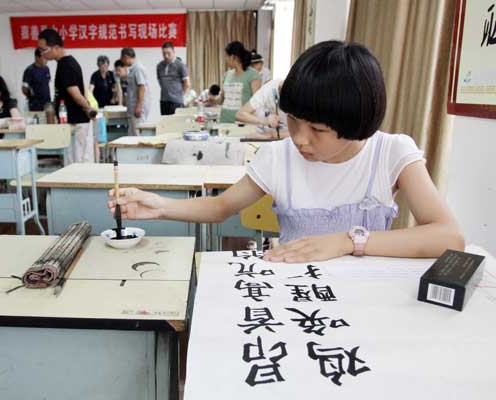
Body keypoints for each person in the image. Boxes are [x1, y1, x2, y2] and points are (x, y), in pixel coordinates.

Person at [108, 40, 464, 262]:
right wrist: (160, 206)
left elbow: (449, 237)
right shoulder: (278, 157)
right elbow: (220, 207)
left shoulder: (391, 153)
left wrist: (347, 241)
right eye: (292, 121)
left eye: (317, 130)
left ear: (359, 123)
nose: (299, 139)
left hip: (368, 299)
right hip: (296, 294)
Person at [38, 28, 97, 163]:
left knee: (76, 162)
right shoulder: (66, 63)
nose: (41, 54)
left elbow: (76, 95)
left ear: (56, 47)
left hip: (75, 121)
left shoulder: (66, 65)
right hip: (73, 121)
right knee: (76, 159)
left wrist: (88, 108)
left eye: (43, 50)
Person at [218, 41, 261, 123]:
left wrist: (246, 117)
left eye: (227, 56)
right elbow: (222, 98)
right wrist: (212, 98)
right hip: (224, 120)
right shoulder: (227, 74)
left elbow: (257, 102)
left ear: (233, 57)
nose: (226, 59)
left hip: (241, 123)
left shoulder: (252, 74)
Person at [121, 47, 150, 135]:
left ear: (126, 57)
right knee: (132, 133)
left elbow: (142, 87)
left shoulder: (138, 69)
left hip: (137, 108)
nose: (122, 61)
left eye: (122, 58)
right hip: (133, 107)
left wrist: (139, 106)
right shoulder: (132, 69)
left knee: (138, 133)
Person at [157, 42, 190, 115]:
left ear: (174, 52)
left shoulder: (180, 65)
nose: (166, 56)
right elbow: (160, 82)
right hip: (164, 101)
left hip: (176, 102)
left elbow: (186, 83)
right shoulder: (159, 66)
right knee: (165, 124)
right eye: (164, 53)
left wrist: (179, 94)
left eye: (169, 53)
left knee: (175, 124)